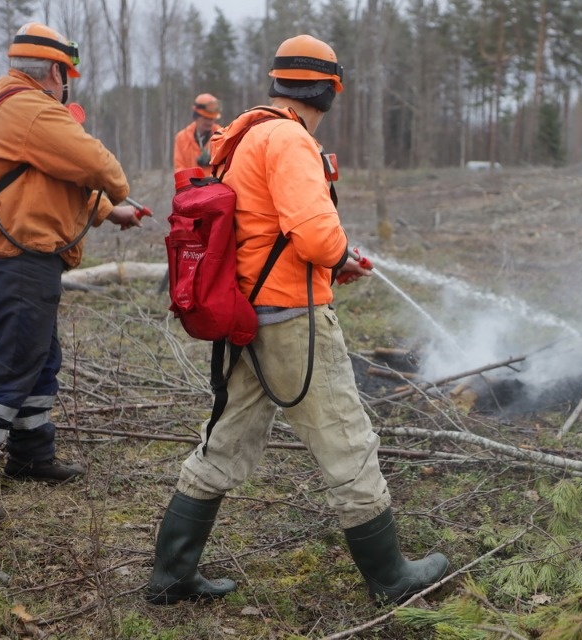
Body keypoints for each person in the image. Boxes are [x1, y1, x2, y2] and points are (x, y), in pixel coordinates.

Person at [146, 34, 448, 606]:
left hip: (248, 318)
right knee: (347, 440)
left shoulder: (247, 134)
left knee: (224, 440)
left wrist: (335, 259)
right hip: (290, 321)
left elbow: (269, 229)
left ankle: (171, 574)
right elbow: (312, 233)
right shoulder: (289, 138)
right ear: (329, 88)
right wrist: (340, 256)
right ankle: (389, 576)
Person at [0, 22, 145, 521]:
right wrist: (118, 188)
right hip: (18, 253)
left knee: (39, 356)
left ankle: (31, 455)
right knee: (14, 361)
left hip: (22, 248)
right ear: (56, 70)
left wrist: (106, 212)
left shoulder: (10, 107)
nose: (66, 82)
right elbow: (91, 161)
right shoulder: (30, 108)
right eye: (66, 74)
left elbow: (40, 180)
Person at [173, 93, 221, 172]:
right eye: (206, 118)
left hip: (214, 184)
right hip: (190, 184)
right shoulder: (181, 138)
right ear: (196, 116)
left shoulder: (222, 136)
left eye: (212, 119)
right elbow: (179, 168)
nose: (209, 122)